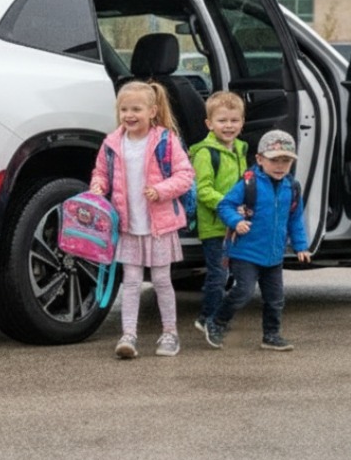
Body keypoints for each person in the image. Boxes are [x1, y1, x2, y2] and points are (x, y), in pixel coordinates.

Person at [89, 80, 194, 359]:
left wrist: (160, 191)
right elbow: (101, 172)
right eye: (124, 109)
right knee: (132, 282)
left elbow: (185, 176)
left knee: (161, 281)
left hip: (158, 227)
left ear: (152, 111)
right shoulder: (112, 143)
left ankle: (170, 333)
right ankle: (128, 335)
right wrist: (98, 186)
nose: (129, 114)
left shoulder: (165, 141)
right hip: (128, 226)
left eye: (136, 108)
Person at [215, 129, 311, 351]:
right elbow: (225, 205)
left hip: (274, 255)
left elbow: (295, 220)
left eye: (285, 161)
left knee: (275, 298)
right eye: (274, 160)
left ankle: (271, 335)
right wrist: (235, 221)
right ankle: (218, 321)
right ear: (259, 159)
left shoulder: (292, 188)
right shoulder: (250, 184)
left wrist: (301, 246)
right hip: (245, 252)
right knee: (243, 292)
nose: (280, 166)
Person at [187, 91, 248, 348]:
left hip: (235, 225)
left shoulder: (240, 149)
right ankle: (209, 318)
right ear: (209, 124)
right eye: (222, 121)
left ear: (242, 122)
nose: (229, 126)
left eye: (234, 120)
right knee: (217, 276)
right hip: (215, 226)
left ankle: (213, 317)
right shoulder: (205, 153)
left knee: (233, 275)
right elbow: (203, 190)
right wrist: (230, 206)